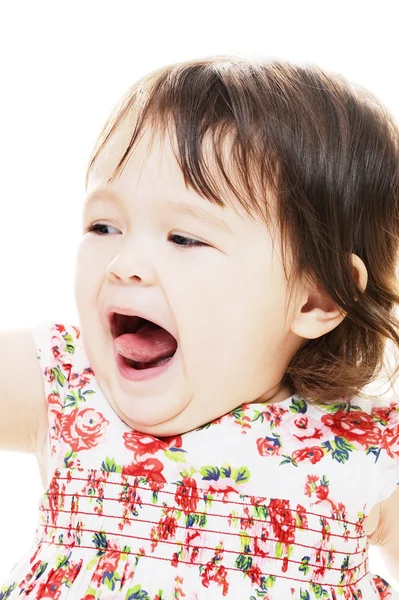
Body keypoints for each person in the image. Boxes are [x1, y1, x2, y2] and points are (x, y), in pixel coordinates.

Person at [0, 55, 398, 599]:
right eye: (104, 225)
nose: (124, 262)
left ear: (315, 295)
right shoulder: (70, 386)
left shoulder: (366, 449)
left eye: (184, 238)